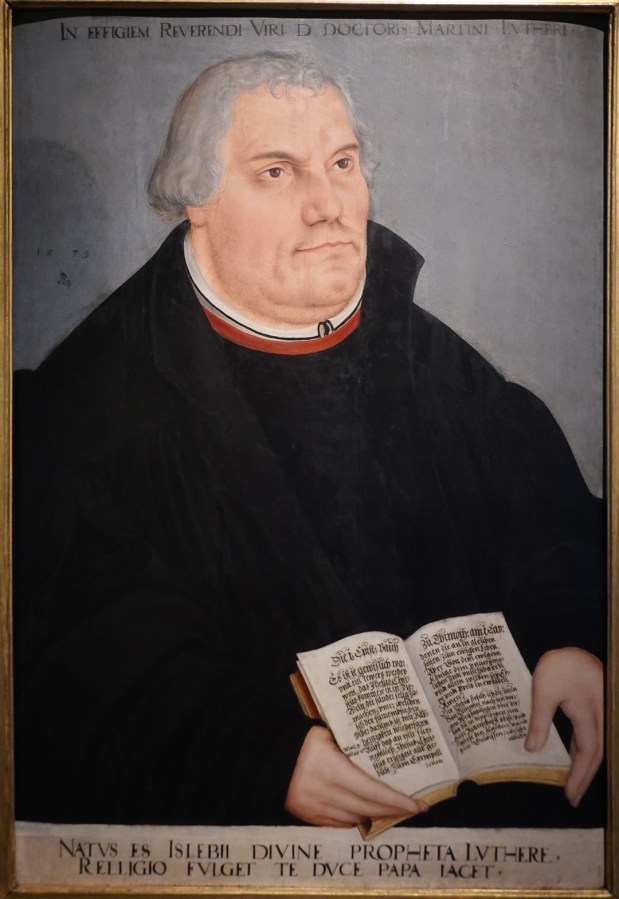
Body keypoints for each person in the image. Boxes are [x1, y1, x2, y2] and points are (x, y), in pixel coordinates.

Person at [13, 51, 604, 830]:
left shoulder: (425, 356)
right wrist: (255, 757)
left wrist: (572, 636)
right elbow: (76, 659)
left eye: (342, 164)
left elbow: (550, 522)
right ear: (197, 200)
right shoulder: (90, 406)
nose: (328, 205)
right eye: (276, 172)